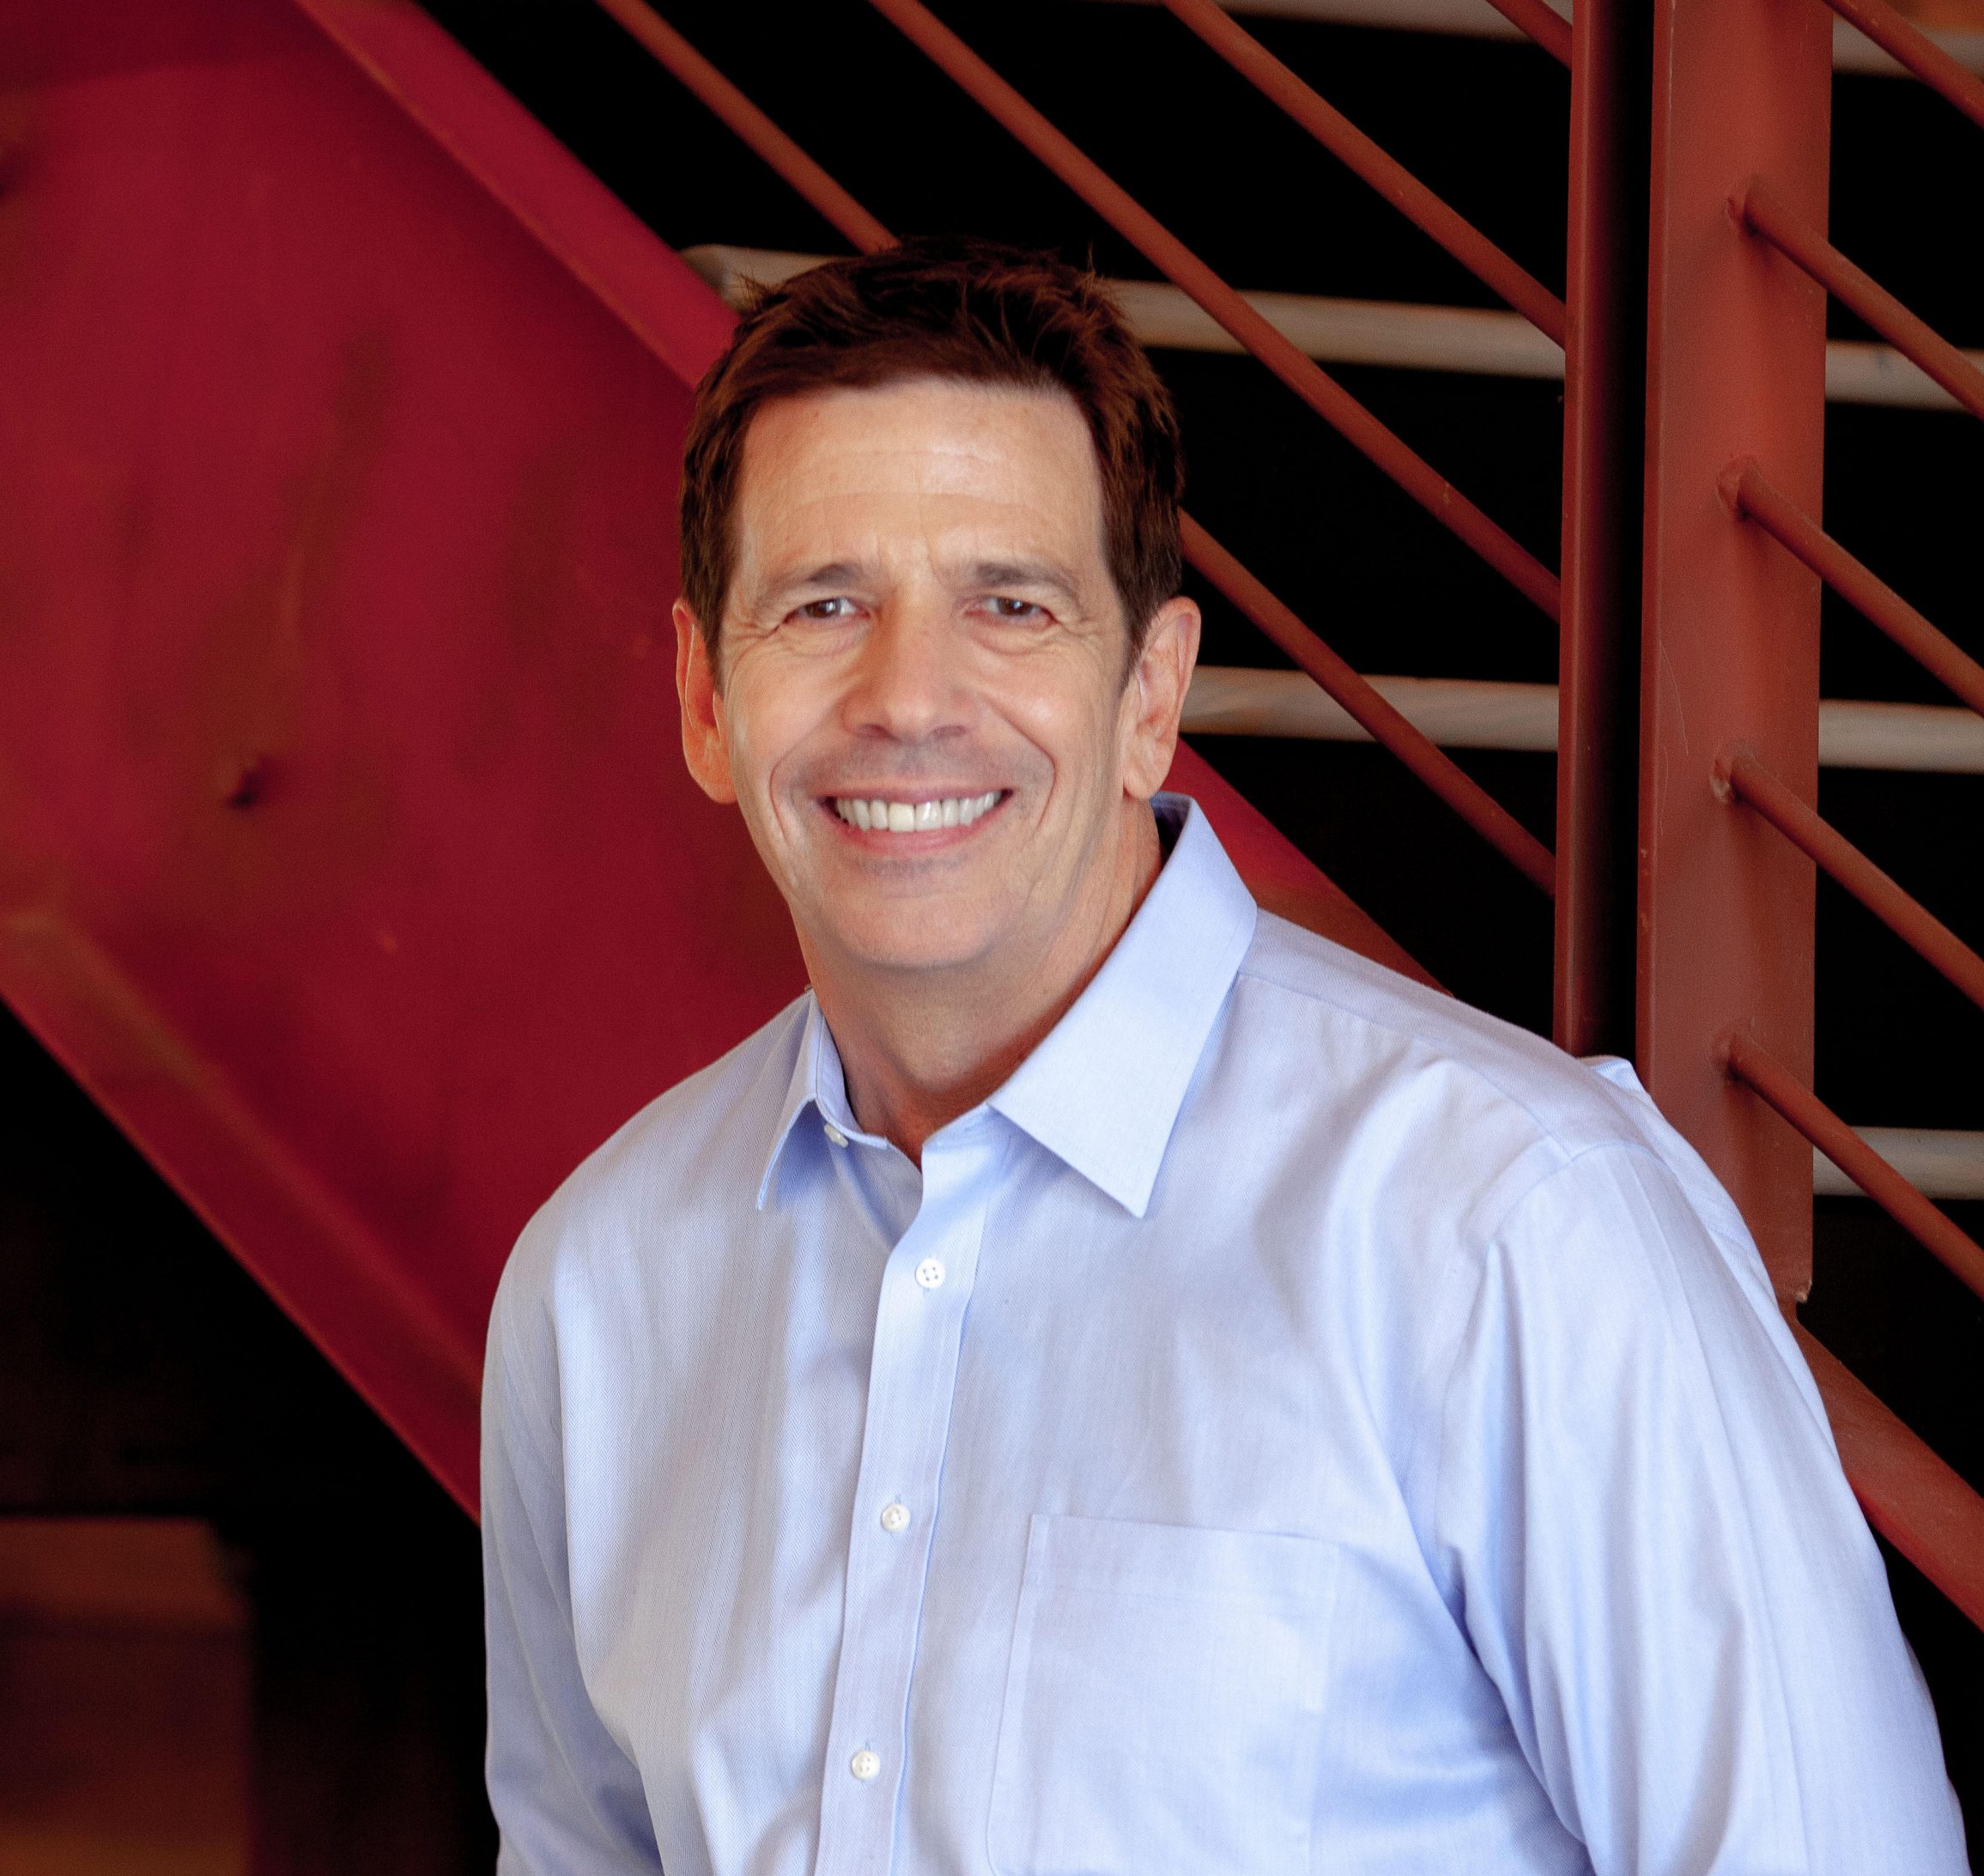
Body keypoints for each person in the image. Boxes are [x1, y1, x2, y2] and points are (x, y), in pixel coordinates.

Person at [480, 236, 1965, 1874]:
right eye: (824, 605)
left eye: (1011, 604)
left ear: (1150, 693)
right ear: (707, 698)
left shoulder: (1514, 1223)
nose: (908, 697)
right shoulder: (594, 1289)